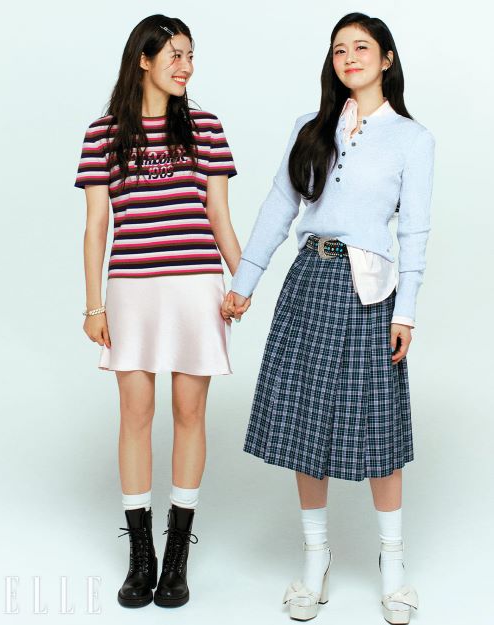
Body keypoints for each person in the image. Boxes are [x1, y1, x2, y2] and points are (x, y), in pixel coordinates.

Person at [222, 11, 434, 625]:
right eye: (339, 49)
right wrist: (244, 283)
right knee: (306, 424)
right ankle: (315, 560)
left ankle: (393, 568)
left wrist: (407, 311)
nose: (349, 57)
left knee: (378, 429)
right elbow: (278, 207)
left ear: (387, 59)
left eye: (362, 47)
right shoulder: (308, 128)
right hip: (310, 279)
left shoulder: (412, 139)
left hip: (370, 292)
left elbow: (415, 232)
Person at [74, 14, 240, 609]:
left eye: (190, 55)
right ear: (143, 59)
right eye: (174, 54)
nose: (185, 66)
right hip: (132, 290)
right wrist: (93, 304)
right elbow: (97, 226)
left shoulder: (206, 128)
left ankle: (177, 558)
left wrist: (242, 280)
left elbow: (218, 216)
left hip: (196, 286)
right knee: (135, 414)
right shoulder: (102, 134)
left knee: (190, 413)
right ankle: (140, 556)